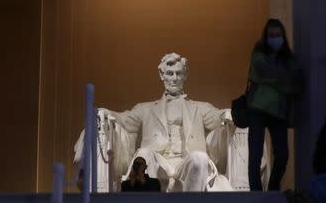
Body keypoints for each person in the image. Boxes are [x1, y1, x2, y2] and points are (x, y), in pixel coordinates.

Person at [100, 53, 233, 192]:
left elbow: (216, 116)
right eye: (170, 73)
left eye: (179, 73)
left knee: (200, 157)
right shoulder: (146, 108)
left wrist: (227, 113)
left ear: (185, 76)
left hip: (186, 162)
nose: (174, 78)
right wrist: (106, 113)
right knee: (144, 153)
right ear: (162, 75)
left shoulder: (200, 108)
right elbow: (125, 119)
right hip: (158, 162)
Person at [246, 18, 304, 191]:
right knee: (255, 155)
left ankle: (272, 187)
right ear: (266, 36)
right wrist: (283, 79)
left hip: (278, 112)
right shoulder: (258, 54)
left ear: (283, 36)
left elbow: (297, 81)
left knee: (282, 156)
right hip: (257, 110)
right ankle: (255, 192)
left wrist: (275, 80)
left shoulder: (289, 58)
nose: (274, 38)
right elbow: (267, 73)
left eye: (278, 35)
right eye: (271, 35)